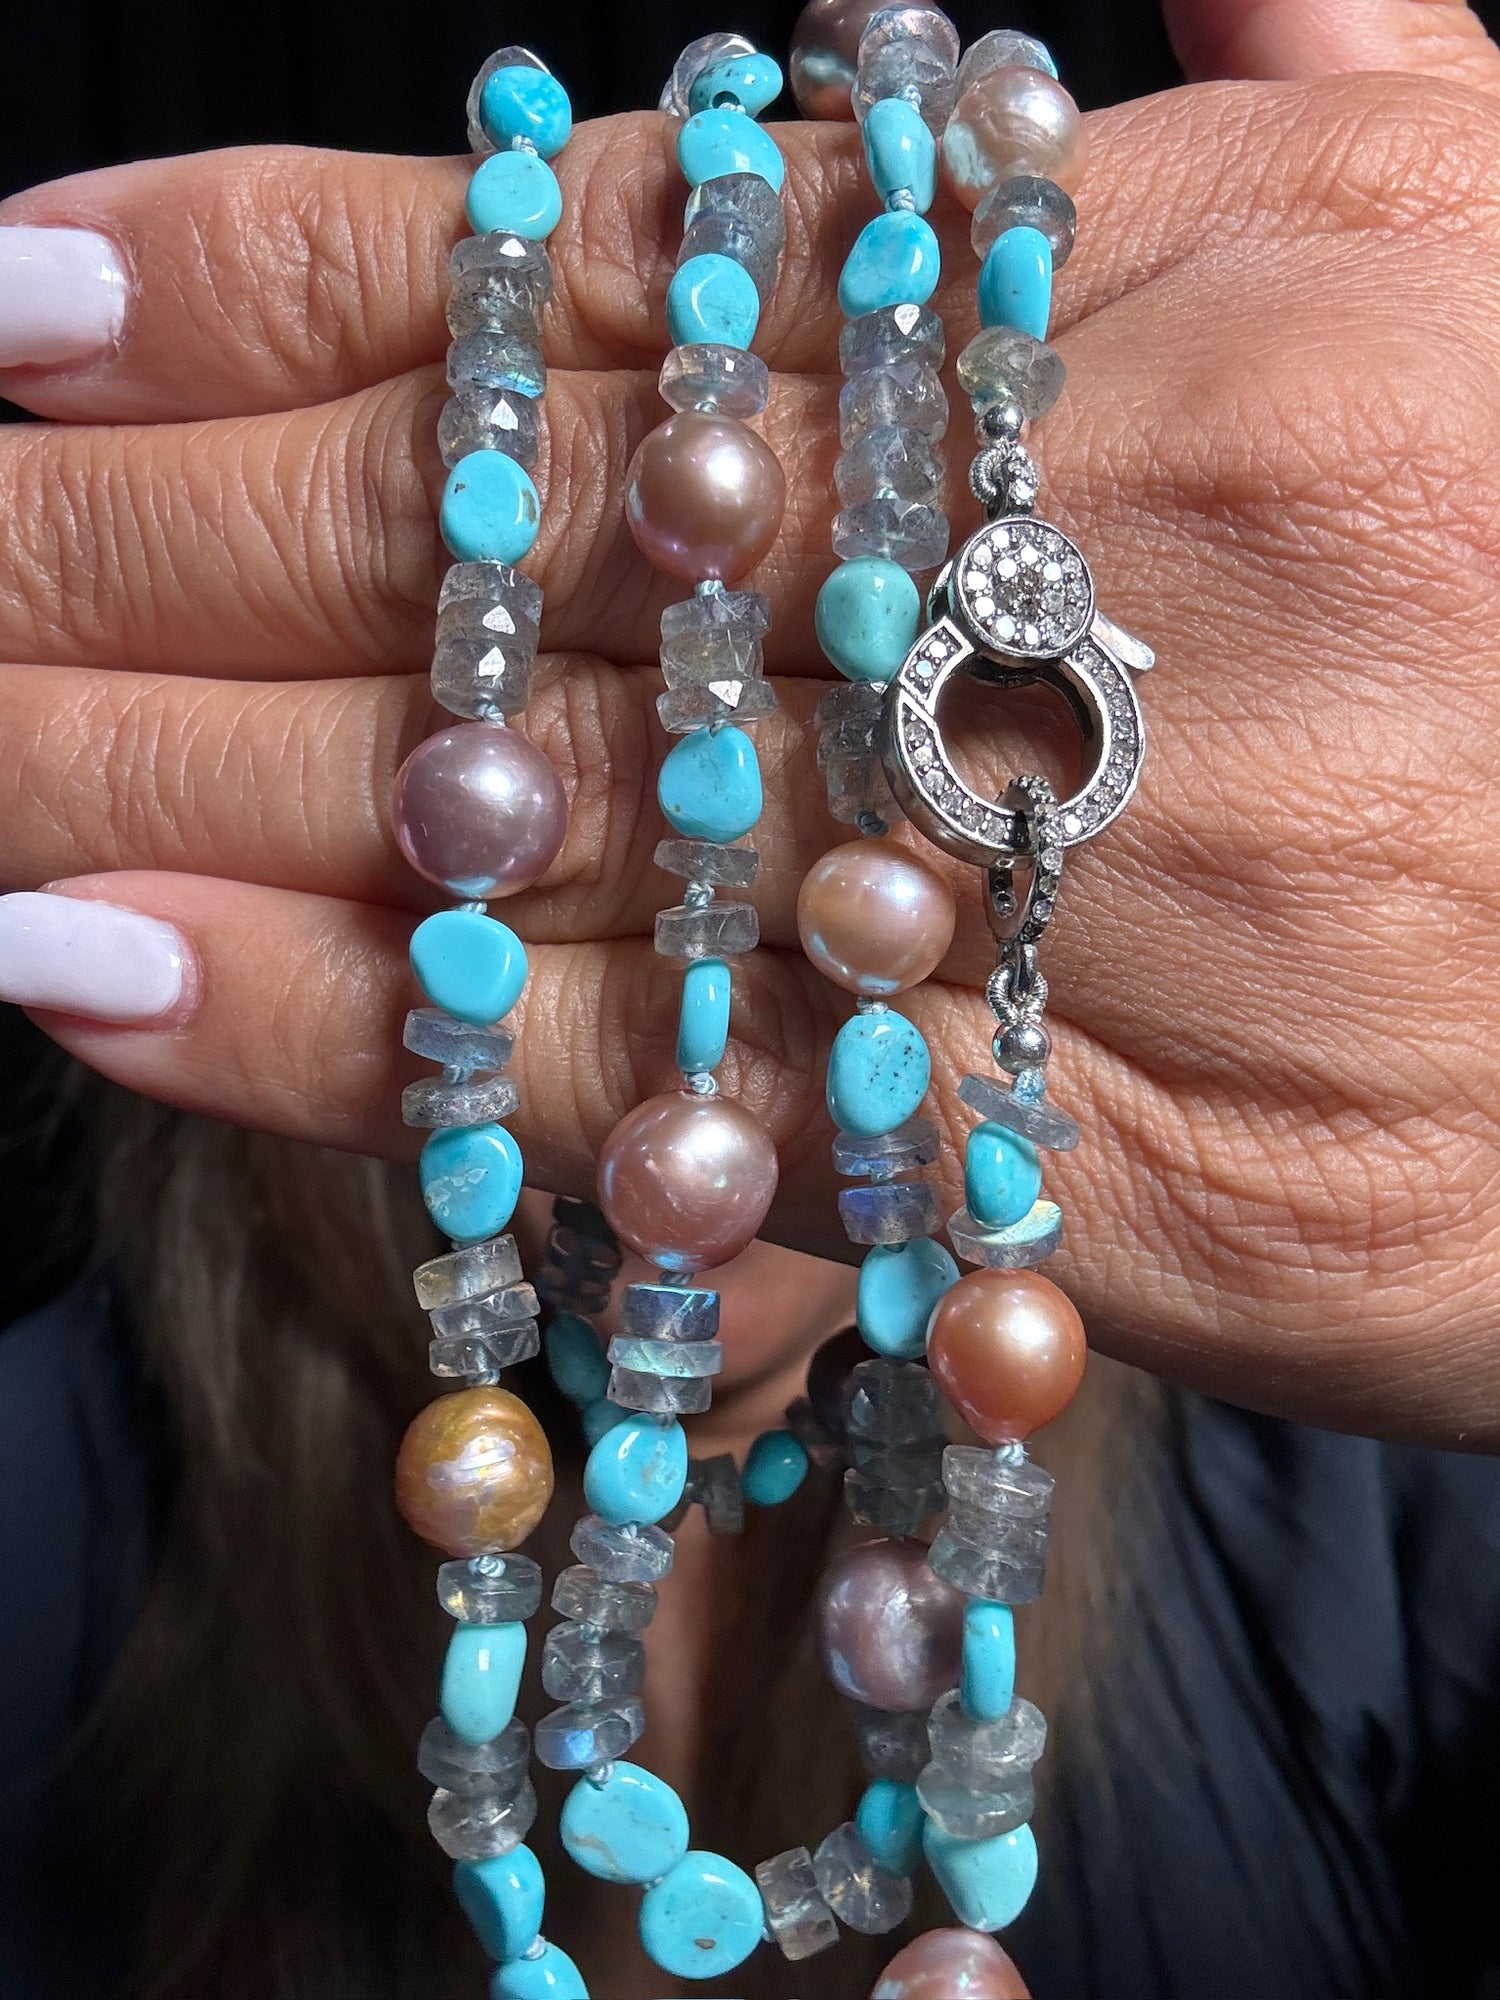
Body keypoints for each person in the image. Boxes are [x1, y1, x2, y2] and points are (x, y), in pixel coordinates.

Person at [3, 0, 1500, 1994]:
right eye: (552, 874)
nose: (678, 1110)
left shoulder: (1341, 1526)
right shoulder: (57, 1520)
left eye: (859, 874)